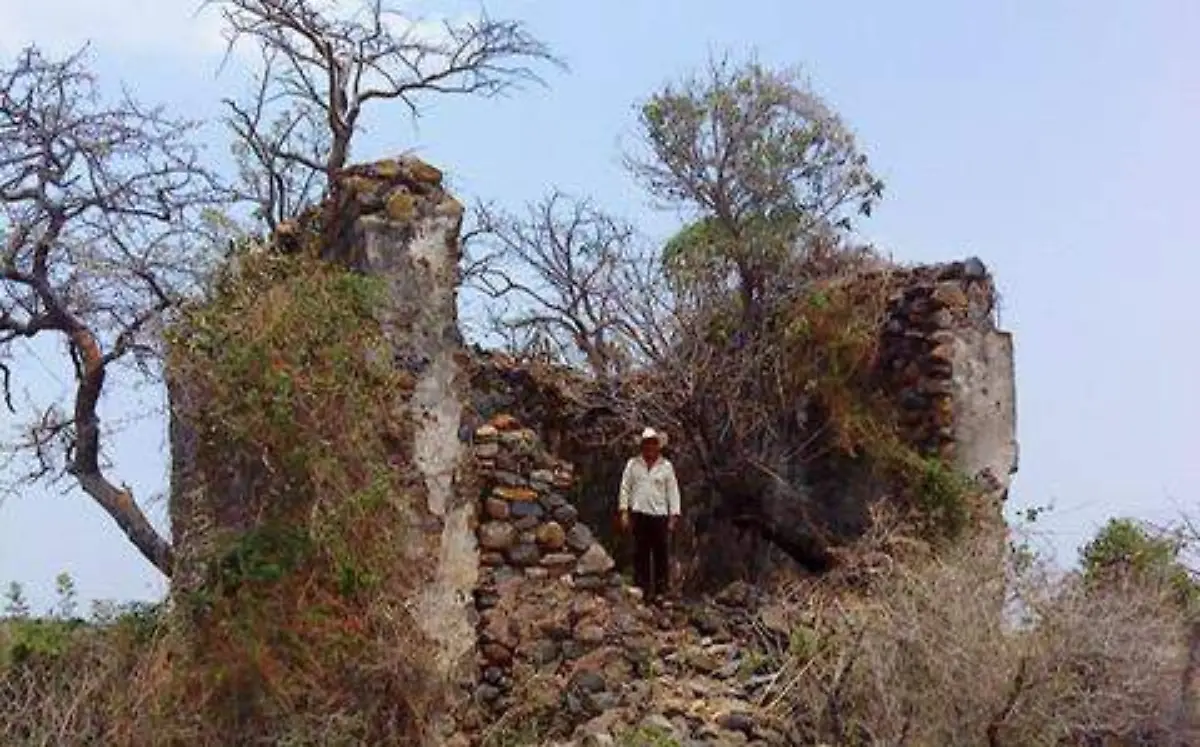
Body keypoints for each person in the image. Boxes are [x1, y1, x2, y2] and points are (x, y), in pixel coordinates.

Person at [618, 427, 681, 605]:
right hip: (639, 514)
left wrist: (673, 516)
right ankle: (642, 591)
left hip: (659, 515)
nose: (650, 447)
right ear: (642, 445)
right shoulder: (633, 464)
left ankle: (661, 592)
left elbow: (673, 492)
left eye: (653, 443)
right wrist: (623, 511)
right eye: (647, 444)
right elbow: (625, 487)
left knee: (661, 553)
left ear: (658, 446)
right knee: (640, 553)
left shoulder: (666, 466)